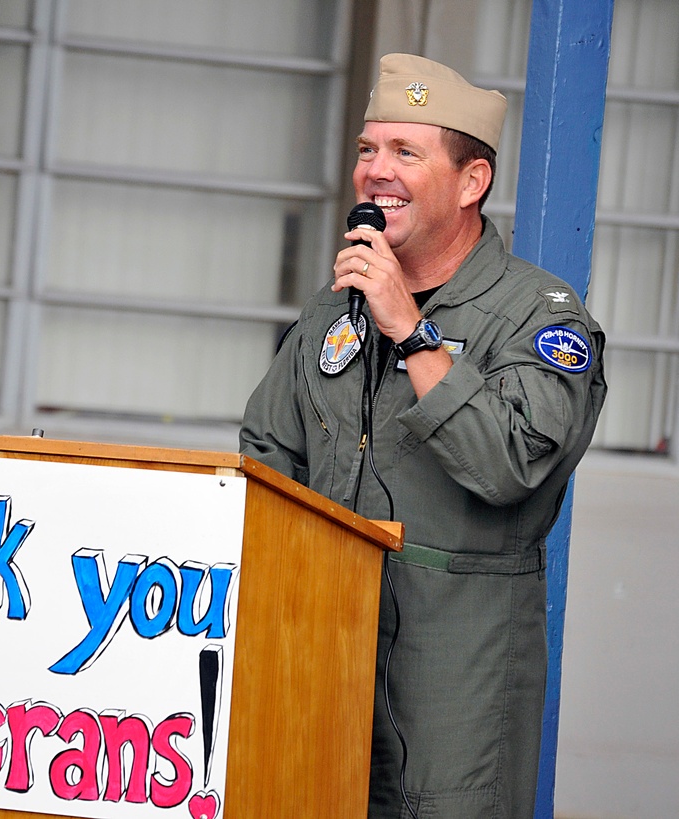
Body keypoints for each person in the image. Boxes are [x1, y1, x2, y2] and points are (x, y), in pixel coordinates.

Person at [240, 53, 607, 818]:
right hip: (323, 668)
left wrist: (408, 328)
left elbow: (510, 464)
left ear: (472, 182)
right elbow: (264, 461)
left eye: (406, 152)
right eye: (368, 151)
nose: (378, 171)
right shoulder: (332, 311)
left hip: (454, 691)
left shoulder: (539, 318)